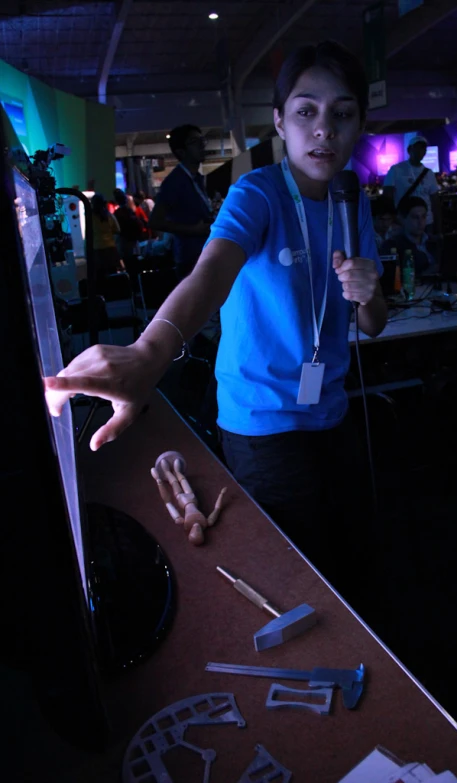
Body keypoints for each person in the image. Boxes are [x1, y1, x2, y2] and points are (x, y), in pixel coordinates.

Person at [44, 40, 387, 569]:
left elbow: (374, 322)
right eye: (306, 111)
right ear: (279, 120)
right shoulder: (257, 193)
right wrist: (149, 352)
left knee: (347, 551)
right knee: (297, 562)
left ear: (360, 122)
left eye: (342, 113)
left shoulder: (352, 198)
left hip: (332, 411)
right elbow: (210, 275)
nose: (325, 128)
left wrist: (369, 294)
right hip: (263, 420)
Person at [149, 124, 213, 280]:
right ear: (180, 152)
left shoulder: (196, 179)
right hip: (190, 258)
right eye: (194, 141)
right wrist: (192, 230)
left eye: (201, 140)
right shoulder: (175, 182)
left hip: (204, 254)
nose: (201, 145)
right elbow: (155, 221)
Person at [383, 135, 441, 235]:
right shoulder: (396, 170)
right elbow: (387, 197)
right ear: (409, 149)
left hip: (426, 223)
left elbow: (435, 201)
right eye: (417, 147)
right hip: (404, 222)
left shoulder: (429, 173)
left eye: (423, 148)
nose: (421, 151)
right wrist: (393, 219)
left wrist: (439, 228)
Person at [380, 196, 437, 276]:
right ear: (402, 219)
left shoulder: (435, 241)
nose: (420, 222)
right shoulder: (392, 246)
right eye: (415, 217)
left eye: (423, 217)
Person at [90, 193, 122, 277]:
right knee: (113, 274)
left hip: (97, 249)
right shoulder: (109, 216)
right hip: (110, 248)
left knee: (100, 276)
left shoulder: (90, 217)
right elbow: (117, 229)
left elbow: (89, 234)